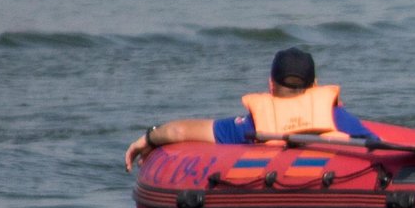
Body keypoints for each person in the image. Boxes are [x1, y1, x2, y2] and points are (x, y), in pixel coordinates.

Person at [124, 47, 374, 171]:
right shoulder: (336, 117)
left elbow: (179, 132)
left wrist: (149, 136)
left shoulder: (253, 125)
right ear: (316, 87)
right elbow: (380, 150)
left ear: (270, 85)